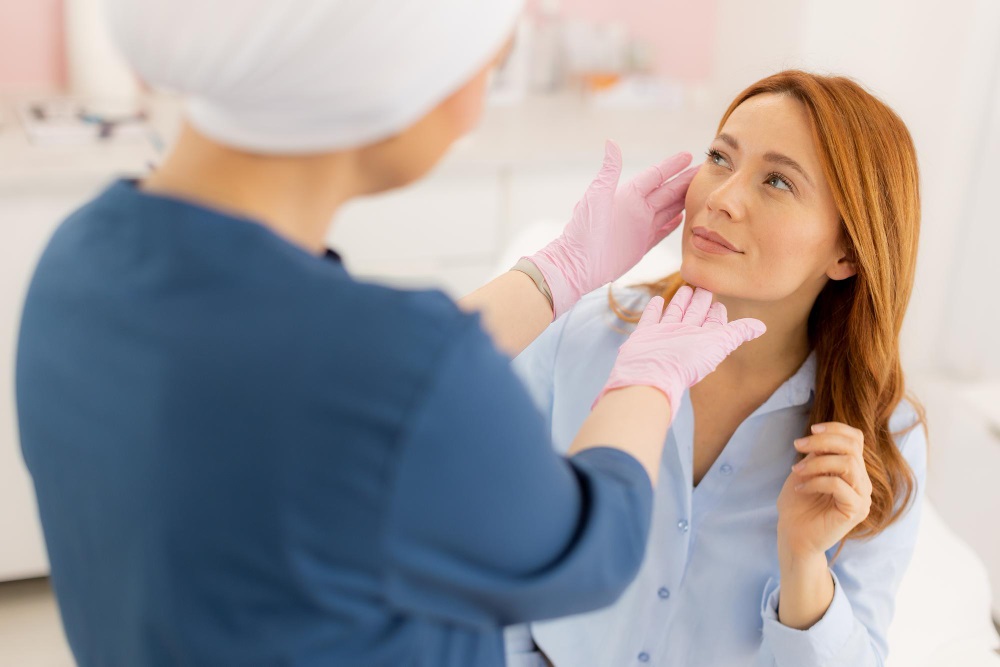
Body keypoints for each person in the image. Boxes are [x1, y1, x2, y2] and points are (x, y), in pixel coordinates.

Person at [14, 1, 764, 666]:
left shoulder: (79, 262)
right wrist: (646, 381)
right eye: (486, 57)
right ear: (398, 79)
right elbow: (595, 548)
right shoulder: (394, 364)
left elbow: (345, 397)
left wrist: (558, 271)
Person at [504, 70, 927, 667]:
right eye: (720, 158)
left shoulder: (884, 436)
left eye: (777, 180)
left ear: (848, 252)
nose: (721, 199)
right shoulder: (583, 335)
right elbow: (482, 545)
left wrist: (804, 565)